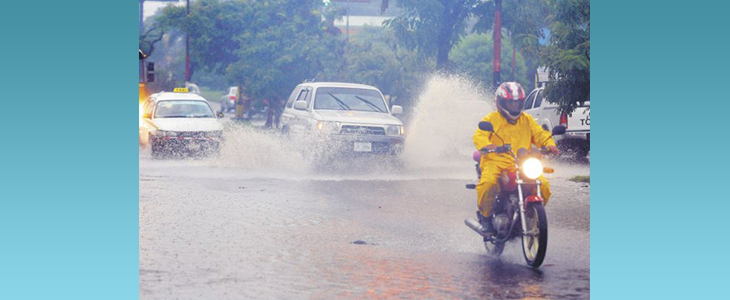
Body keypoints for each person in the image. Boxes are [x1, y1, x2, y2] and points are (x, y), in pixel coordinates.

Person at [472, 82, 559, 234]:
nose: (514, 106)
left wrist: (549, 144)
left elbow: (540, 134)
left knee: (543, 184)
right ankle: (486, 218)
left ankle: (531, 215)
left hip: (522, 162)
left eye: (517, 103)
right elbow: (480, 135)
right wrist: (488, 145)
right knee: (489, 183)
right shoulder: (491, 119)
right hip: (495, 161)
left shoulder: (527, 120)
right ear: (500, 102)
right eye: (510, 103)